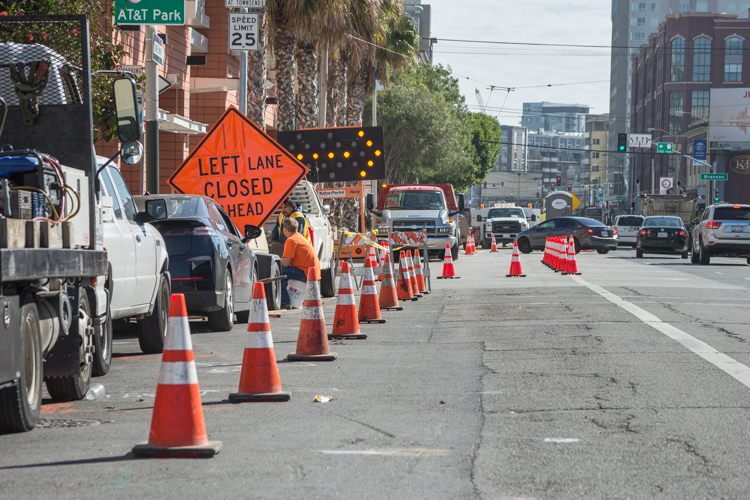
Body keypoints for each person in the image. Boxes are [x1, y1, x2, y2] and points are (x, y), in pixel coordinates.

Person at [280, 217, 320, 309]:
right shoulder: (299, 237)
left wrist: (278, 262)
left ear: (285, 229)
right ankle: (288, 298)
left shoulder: (290, 240)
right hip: (313, 272)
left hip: (306, 273)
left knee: (279, 272)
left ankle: (285, 301)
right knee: (284, 272)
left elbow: (285, 263)